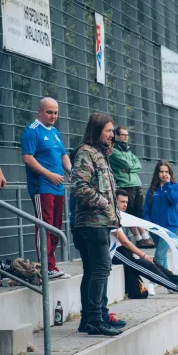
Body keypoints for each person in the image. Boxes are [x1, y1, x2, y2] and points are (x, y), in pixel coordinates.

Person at [71, 113, 121, 336]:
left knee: (93, 270)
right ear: (97, 130)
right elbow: (80, 187)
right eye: (109, 131)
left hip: (100, 222)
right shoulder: (85, 152)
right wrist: (104, 203)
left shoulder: (100, 154)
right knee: (100, 269)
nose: (113, 135)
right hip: (92, 223)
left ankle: (92, 318)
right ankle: (94, 320)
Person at [21, 97, 72, 279]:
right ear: (40, 112)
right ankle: (46, 266)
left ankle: (52, 265)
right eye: (49, 112)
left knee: (56, 227)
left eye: (56, 112)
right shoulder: (32, 131)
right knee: (45, 225)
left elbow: (63, 155)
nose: (53, 116)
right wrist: (48, 174)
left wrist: (71, 171)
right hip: (42, 187)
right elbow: (27, 158)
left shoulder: (56, 132)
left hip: (57, 187)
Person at [112, 189, 178, 296]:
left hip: (121, 249)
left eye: (126, 202)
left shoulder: (118, 215)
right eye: (122, 202)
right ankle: (177, 288)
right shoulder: (112, 216)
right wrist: (142, 255)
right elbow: (124, 241)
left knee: (152, 261)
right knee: (147, 266)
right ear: (114, 201)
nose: (125, 205)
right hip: (114, 252)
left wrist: (144, 256)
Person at [108, 126, 154, 248]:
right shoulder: (114, 151)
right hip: (125, 184)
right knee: (130, 213)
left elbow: (137, 165)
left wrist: (129, 169)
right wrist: (130, 167)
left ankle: (144, 237)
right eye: (123, 134)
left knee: (139, 212)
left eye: (127, 135)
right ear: (116, 136)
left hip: (136, 183)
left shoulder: (128, 151)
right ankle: (140, 238)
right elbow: (127, 163)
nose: (126, 137)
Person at [143, 160, 178, 270]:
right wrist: (148, 224)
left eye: (166, 171)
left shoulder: (175, 186)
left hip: (169, 227)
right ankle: (171, 284)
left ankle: (153, 282)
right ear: (157, 173)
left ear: (170, 173)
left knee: (159, 256)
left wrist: (168, 185)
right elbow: (146, 209)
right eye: (161, 171)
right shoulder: (152, 189)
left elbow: (174, 200)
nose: (164, 174)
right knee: (162, 257)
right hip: (154, 228)